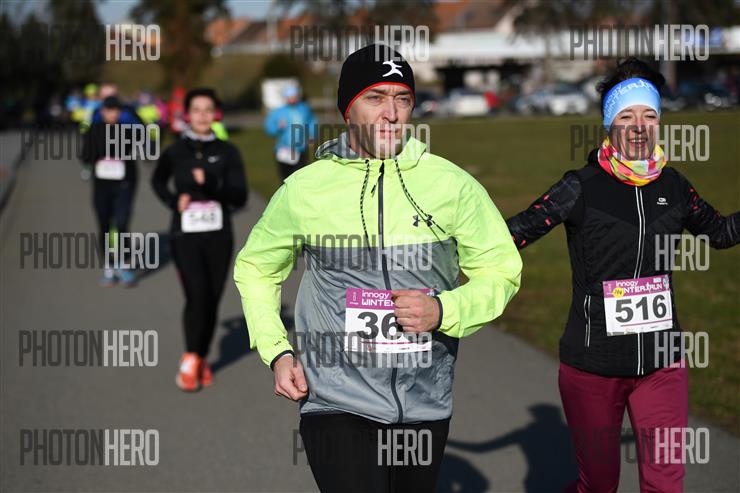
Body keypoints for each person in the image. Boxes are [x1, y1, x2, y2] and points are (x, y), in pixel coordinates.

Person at [234, 44, 522, 492]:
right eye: (375, 98)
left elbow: (500, 270)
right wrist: (277, 350)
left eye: (402, 99)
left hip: (423, 401)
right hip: (335, 399)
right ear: (347, 109)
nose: (391, 113)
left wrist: (444, 310)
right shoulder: (306, 189)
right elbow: (257, 268)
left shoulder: (451, 185)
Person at [506, 58, 739, 493]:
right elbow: (514, 233)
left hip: (662, 364)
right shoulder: (580, 186)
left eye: (649, 115)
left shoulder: (674, 186)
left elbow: (721, 233)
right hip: (593, 365)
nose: (639, 127)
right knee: (599, 485)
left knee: (666, 485)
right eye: (627, 116)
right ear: (609, 123)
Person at [152, 88, 248, 392]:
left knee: (212, 298)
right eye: (196, 110)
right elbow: (157, 180)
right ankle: (191, 357)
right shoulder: (175, 151)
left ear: (216, 114)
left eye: (208, 110)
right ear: (187, 115)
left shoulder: (228, 151)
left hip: (219, 235)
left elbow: (240, 195)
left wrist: (212, 184)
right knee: (197, 295)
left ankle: (200, 356)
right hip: (184, 235)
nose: (203, 116)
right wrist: (173, 200)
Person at [80, 96, 139, 287]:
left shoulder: (128, 131)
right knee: (104, 224)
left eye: (116, 110)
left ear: (120, 112)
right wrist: (99, 155)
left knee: (121, 223)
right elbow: (85, 156)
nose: (112, 114)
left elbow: (139, 146)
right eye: (108, 110)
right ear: (102, 112)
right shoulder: (94, 130)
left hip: (124, 184)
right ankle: (108, 267)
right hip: (102, 185)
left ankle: (123, 265)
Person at [263, 84, 317, 179]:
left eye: (293, 96)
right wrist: (278, 127)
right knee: (284, 178)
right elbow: (269, 128)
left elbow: (312, 122)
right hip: (283, 151)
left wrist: (312, 136)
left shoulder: (304, 109)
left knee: (300, 177)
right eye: (289, 96)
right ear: (285, 97)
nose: (291, 99)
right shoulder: (278, 112)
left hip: (300, 150)